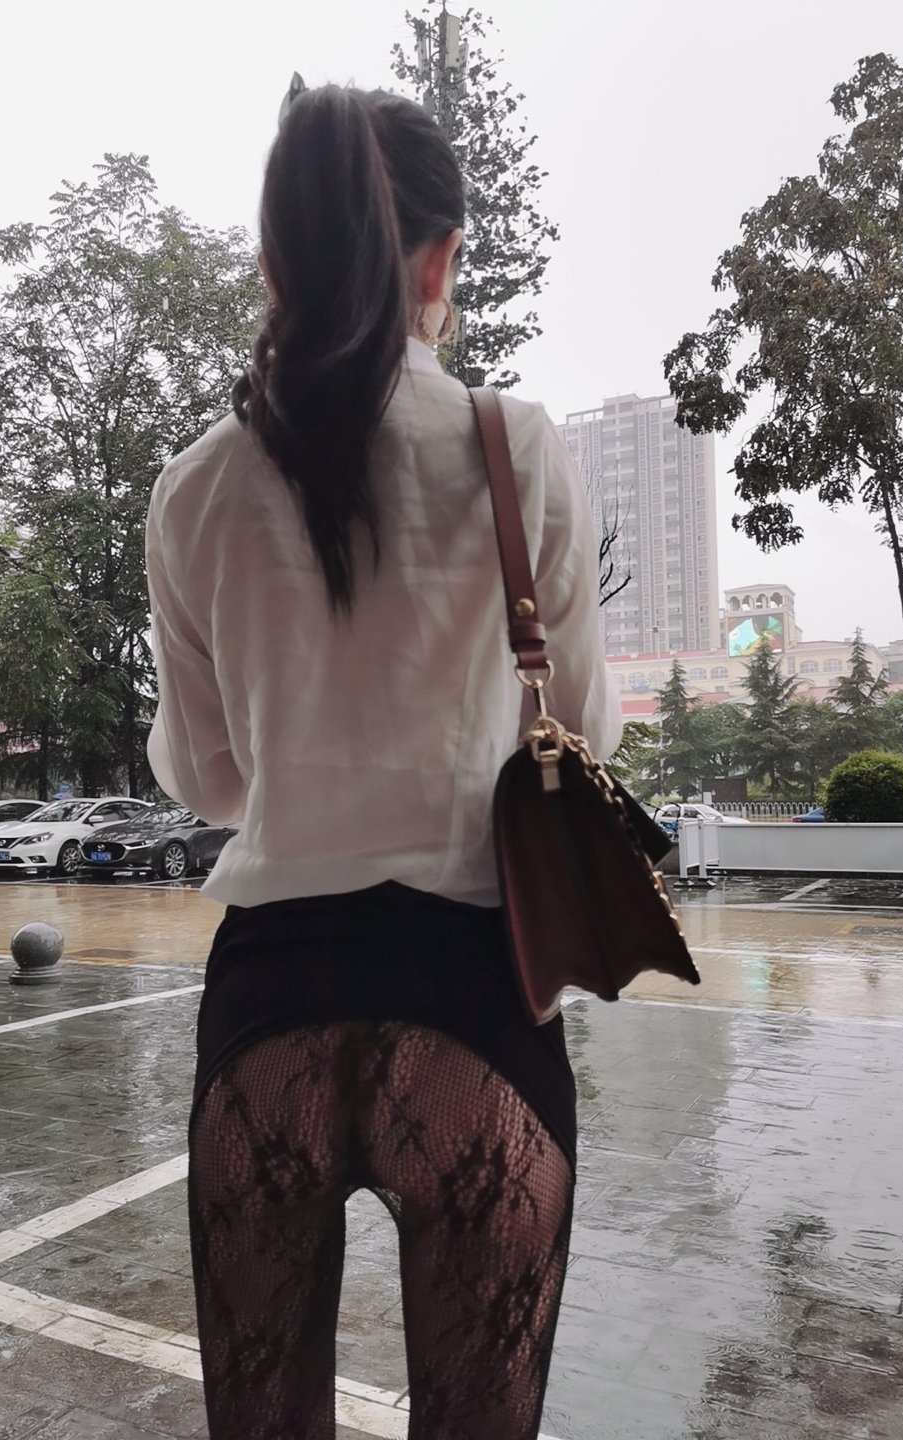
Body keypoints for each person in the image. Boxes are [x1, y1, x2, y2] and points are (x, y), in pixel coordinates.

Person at [146, 78, 622, 1440]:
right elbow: (582, 737)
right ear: (439, 257)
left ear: (272, 262)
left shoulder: (195, 487)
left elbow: (208, 781)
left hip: (270, 1006)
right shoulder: (514, 447)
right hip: (477, 996)